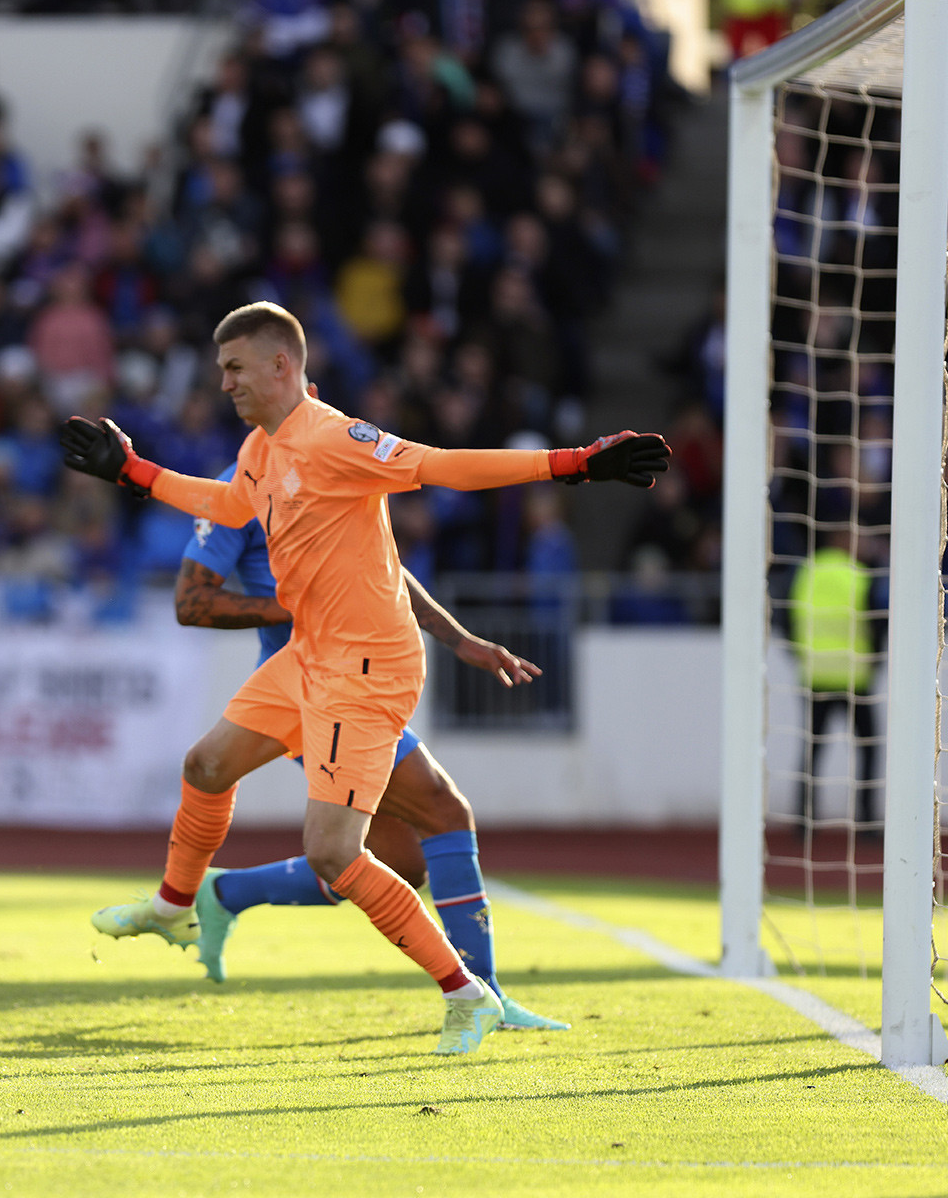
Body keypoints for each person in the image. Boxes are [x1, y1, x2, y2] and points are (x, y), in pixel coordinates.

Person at [61, 301, 665, 1055]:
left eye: (235, 368)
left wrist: (572, 463)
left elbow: (441, 465)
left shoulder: (332, 437)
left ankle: (467, 995)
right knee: (206, 765)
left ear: (283, 365)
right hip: (311, 652)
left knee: (336, 853)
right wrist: (133, 471)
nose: (224, 383)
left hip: (366, 669)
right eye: (221, 371)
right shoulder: (263, 447)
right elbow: (228, 504)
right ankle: (177, 905)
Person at [170, 455, 567, 1030]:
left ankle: (226, 894)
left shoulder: (325, 462)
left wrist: (459, 640)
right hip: (308, 689)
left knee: (399, 860)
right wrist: (303, 603)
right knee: (441, 811)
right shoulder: (241, 487)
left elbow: (384, 571)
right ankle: (488, 997)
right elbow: (191, 601)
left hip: (356, 678)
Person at [786, 528, 886, 826]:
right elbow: (877, 623)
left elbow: (788, 619)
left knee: (812, 749)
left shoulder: (806, 573)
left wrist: (802, 655)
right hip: (856, 676)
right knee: (867, 748)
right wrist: (875, 661)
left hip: (816, 674)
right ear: (844, 540)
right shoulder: (859, 576)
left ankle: (803, 820)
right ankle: (866, 820)